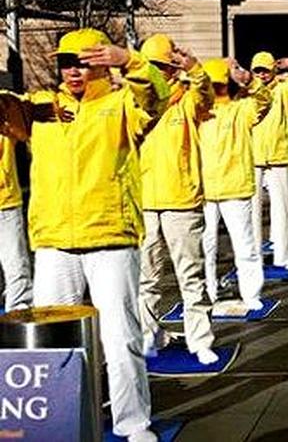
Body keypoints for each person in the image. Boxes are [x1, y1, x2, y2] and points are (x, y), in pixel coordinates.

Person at [0, 28, 169, 441]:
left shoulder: (122, 104)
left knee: (121, 338)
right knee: (52, 343)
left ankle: (133, 422)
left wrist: (129, 61)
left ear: (100, 63)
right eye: (65, 63)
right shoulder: (40, 107)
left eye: (83, 62)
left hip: (110, 238)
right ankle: (58, 420)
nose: (73, 70)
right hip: (56, 242)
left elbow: (157, 96)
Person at [135, 34, 218, 364]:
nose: (155, 72)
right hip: (142, 200)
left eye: (160, 67)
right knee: (146, 278)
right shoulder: (132, 100)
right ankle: (148, 336)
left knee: (191, 276)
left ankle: (200, 340)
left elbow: (206, 98)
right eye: (149, 66)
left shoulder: (187, 98)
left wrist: (195, 68)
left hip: (181, 198)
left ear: (171, 69)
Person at [200, 57, 271, 308]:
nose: (216, 88)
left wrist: (248, 79)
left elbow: (265, 101)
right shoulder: (198, 111)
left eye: (219, 83)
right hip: (204, 190)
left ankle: (251, 294)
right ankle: (206, 293)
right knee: (205, 248)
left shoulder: (243, 109)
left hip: (235, 188)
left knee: (245, 245)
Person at [251, 51, 288, 273]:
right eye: (257, 70)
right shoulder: (247, 93)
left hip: (279, 156)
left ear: (274, 70)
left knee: (284, 209)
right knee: (252, 212)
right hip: (253, 157)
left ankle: (285, 257)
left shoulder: (285, 90)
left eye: (265, 70)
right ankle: (253, 258)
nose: (261, 74)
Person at [0, 129, 32, 311]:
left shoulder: (5, 105)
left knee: (17, 268)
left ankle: (18, 319)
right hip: (7, 203)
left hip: (6, 203)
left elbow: (23, 132)